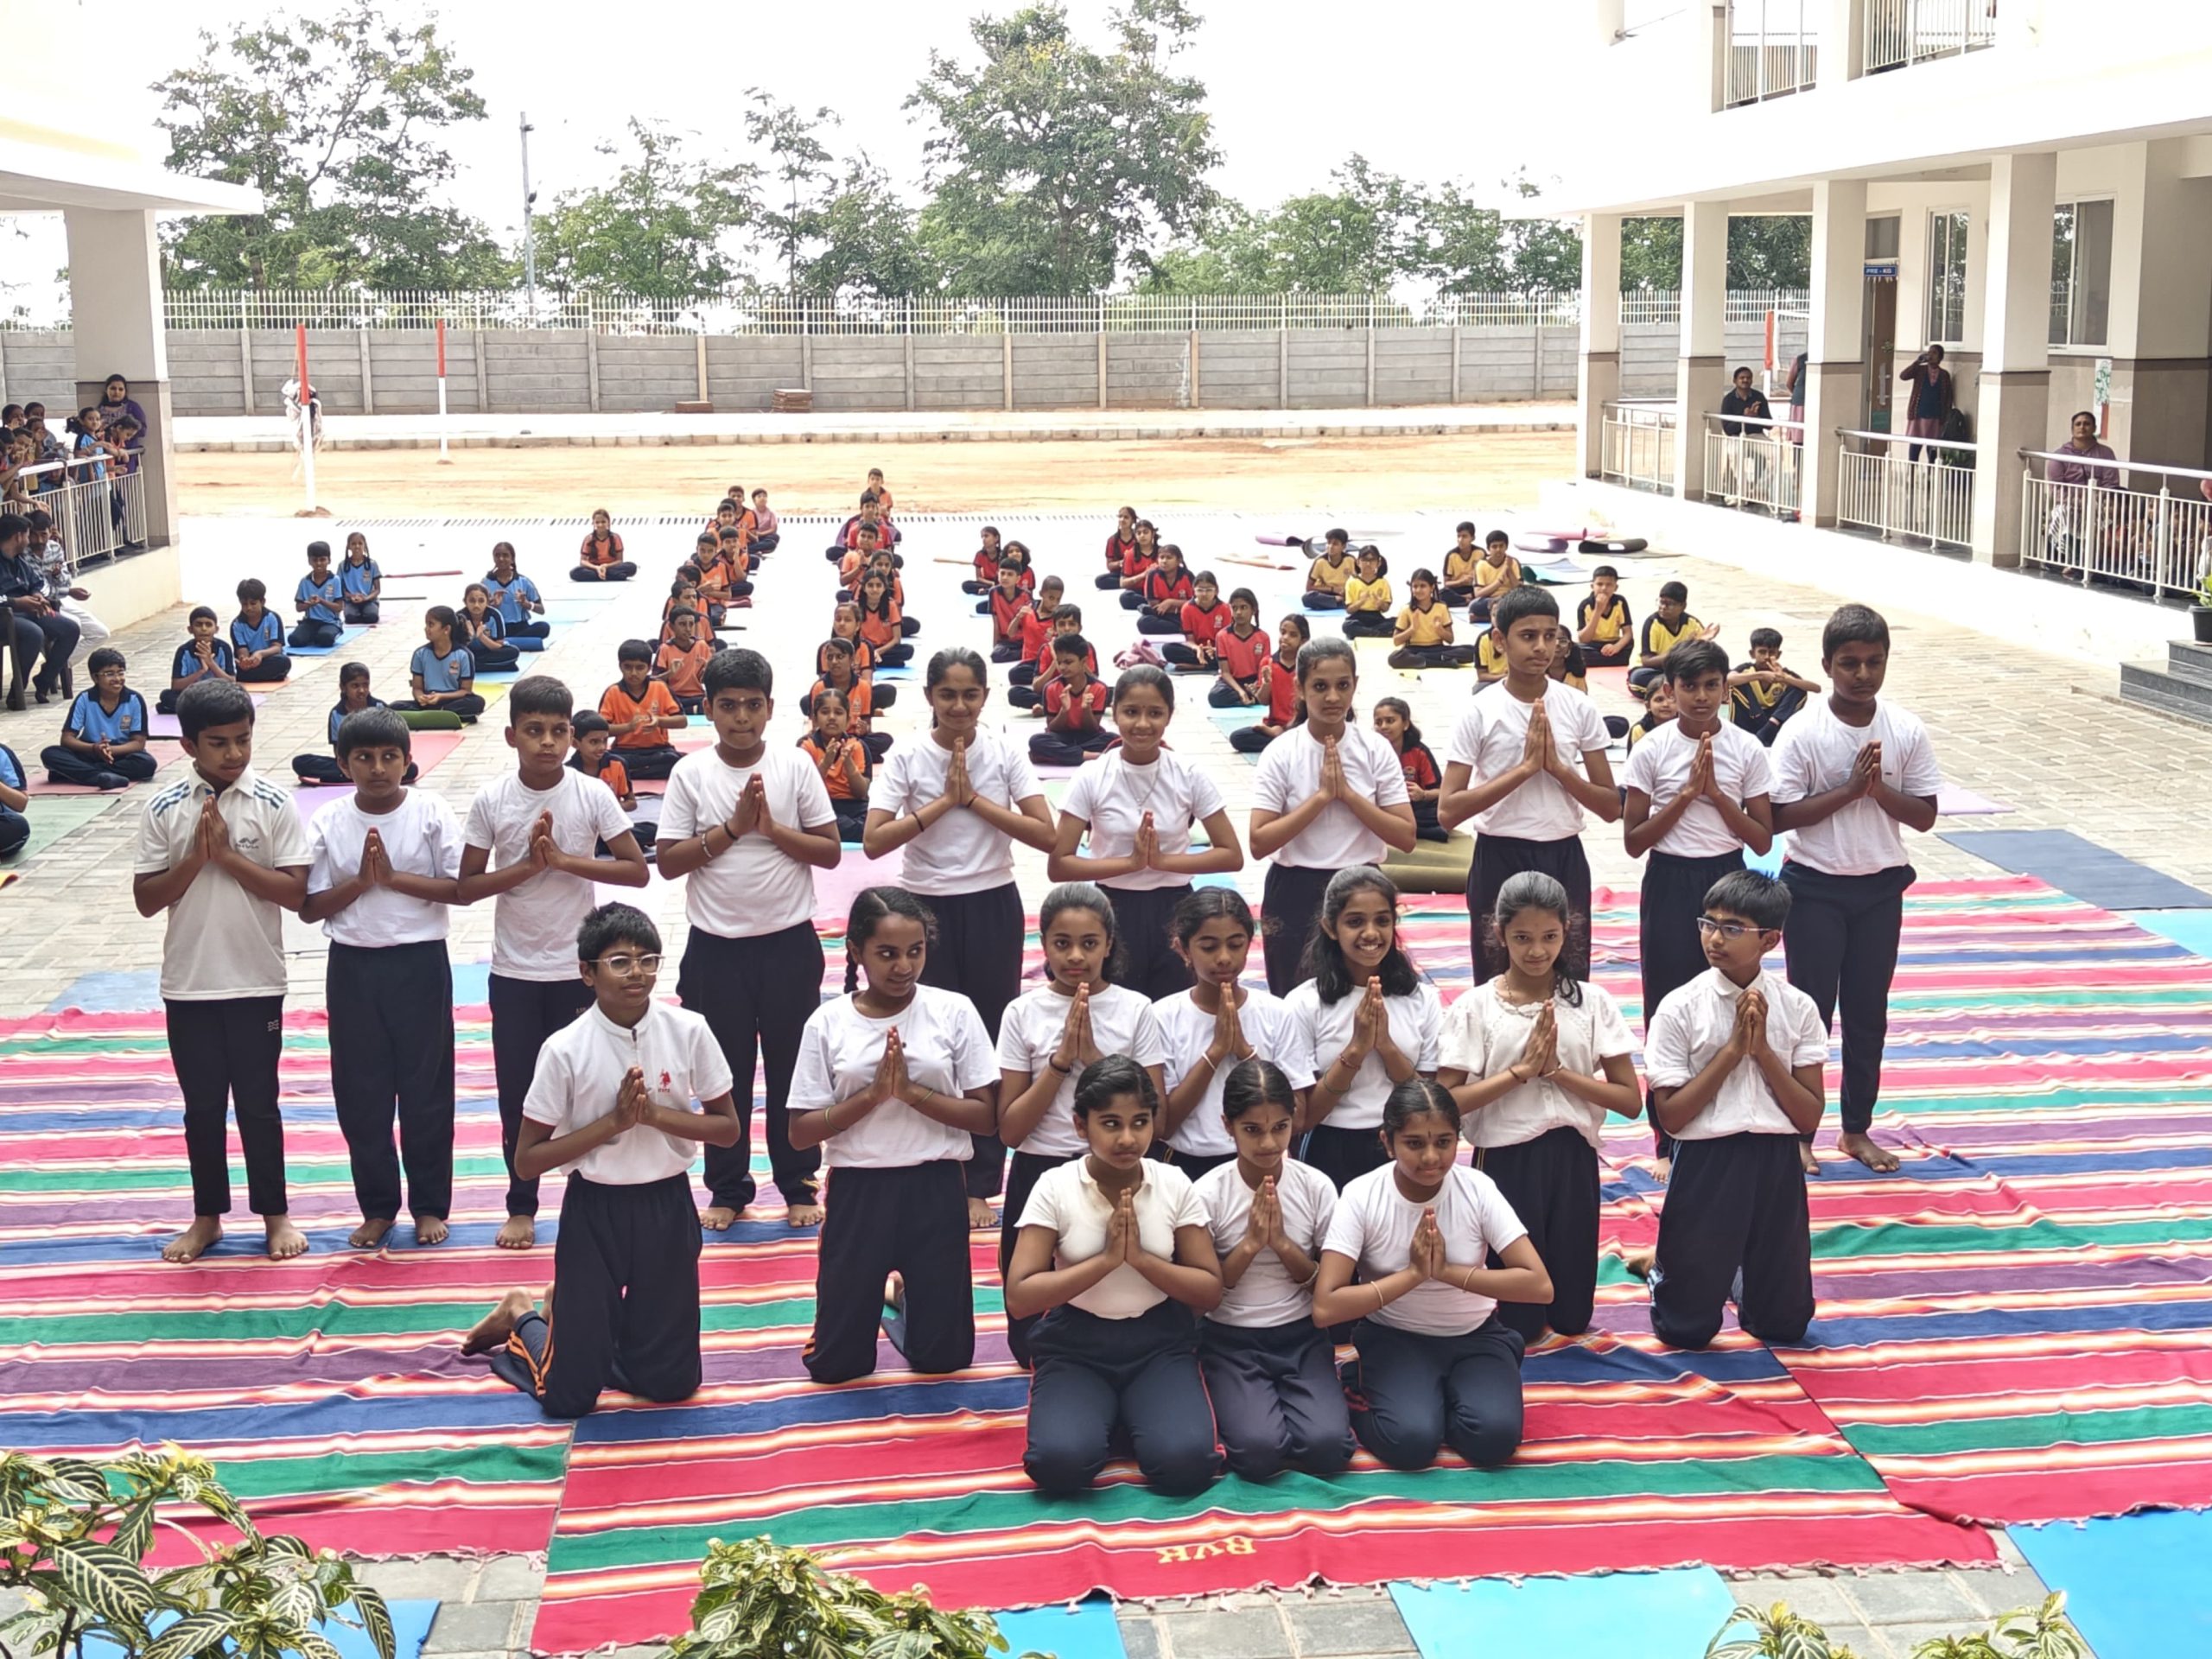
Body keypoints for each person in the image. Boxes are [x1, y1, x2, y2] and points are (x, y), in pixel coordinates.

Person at [461, 904, 739, 1418]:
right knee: (569, 1398)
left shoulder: (690, 1029)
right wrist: (611, 1125)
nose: (637, 973)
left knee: (673, 1385)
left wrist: (654, 1116)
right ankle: (524, 1315)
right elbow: (526, 1161)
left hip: (667, 1206)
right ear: (587, 973)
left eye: (648, 960)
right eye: (620, 962)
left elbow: (727, 1129)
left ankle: (586, 1324)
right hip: (595, 1211)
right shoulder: (564, 1049)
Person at [865, 646, 1056, 1224]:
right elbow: (874, 841)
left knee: (991, 1038)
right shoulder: (905, 757)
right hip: (924, 910)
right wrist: (942, 804)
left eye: (970, 694)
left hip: (993, 901)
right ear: (928, 697)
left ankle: (981, 1175)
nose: (959, 705)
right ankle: (933, 1158)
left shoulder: (1002, 751)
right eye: (947, 694)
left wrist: (974, 800)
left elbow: (1046, 834)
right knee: (932, 1035)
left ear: (985, 697)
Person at [460, 677, 650, 1252]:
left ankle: (593, 1193)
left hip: (577, 974)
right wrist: (526, 868)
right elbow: (466, 888)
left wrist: (566, 861)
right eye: (535, 731)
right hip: (515, 974)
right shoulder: (492, 800)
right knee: (519, 1094)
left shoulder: (591, 795)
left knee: (589, 1089)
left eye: (559, 731)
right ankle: (522, 1203)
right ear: (511, 734)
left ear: (572, 734)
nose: (547, 743)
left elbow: (637, 871)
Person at [657, 648, 841, 1231]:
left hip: (788, 944)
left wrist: (771, 829)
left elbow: (831, 851)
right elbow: (666, 862)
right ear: (708, 708)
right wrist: (733, 830)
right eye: (729, 706)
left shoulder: (795, 767)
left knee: (794, 1069)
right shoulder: (691, 773)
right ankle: (728, 1186)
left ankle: (798, 1181)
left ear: (770, 709)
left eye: (752, 706)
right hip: (716, 949)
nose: (741, 718)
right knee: (721, 1072)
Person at [131, 681, 310, 1264]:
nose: (234, 754)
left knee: (260, 1104)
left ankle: (274, 1215)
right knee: (202, 1107)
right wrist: (197, 858)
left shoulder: (275, 803)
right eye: (218, 744)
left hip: (257, 979)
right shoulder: (163, 808)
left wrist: (229, 857)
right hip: (191, 983)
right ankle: (206, 1217)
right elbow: (147, 899)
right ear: (187, 744)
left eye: (242, 740)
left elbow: (294, 892)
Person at [792, 888, 1001, 1384]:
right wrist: (871, 1097)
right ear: (856, 951)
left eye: (916, 951)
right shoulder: (828, 1022)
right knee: (836, 1367)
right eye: (887, 953)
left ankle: (905, 1298)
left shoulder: (954, 1010)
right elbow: (800, 1133)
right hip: (860, 1189)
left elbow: (986, 1118)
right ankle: (881, 1297)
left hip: (935, 1186)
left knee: (944, 1359)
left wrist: (911, 1093)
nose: (904, 966)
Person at [1770, 605, 1940, 1176]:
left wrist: (1874, 792)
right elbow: (1778, 817)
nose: (1862, 674)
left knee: (1869, 1014)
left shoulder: (1906, 729)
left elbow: (1924, 816)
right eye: (1849, 664)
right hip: (1814, 888)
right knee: (1809, 1016)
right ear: (1826, 665)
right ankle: (1799, 1133)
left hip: (1879, 890)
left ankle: (1856, 1129)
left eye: (1874, 662)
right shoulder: (1802, 730)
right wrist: (1848, 790)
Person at [1006, 1055, 1223, 1496]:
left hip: (1159, 1343)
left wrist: (1141, 1260)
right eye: (1111, 1124)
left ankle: (1127, 1415)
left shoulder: (1174, 1182)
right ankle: (1114, 1416)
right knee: (1059, 1468)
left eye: (1140, 1122)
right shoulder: (1055, 1185)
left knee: (1186, 1468)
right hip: (1077, 1346)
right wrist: (1105, 1261)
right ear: (1080, 1126)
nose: (1128, 1138)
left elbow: (1209, 1289)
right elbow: (1020, 1296)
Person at [1437, 873, 1639, 1340]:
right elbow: (1444, 1102)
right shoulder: (1475, 1007)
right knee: (1518, 1324)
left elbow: (1630, 1100)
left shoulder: (1592, 1002)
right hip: (1507, 1161)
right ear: (1498, 933)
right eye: (1522, 938)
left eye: (1549, 937)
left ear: (1567, 931)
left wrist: (1559, 1074)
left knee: (1573, 1317)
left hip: (1573, 1158)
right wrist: (1518, 1074)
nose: (1536, 951)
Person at [1312, 1080, 1550, 1470]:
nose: (1431, 1157)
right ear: (1387, 1143)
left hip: (1475, 1336)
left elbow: (1539, 1285)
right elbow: (1326, 1306)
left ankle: (1447, 1395)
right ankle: (1362, 1380)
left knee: (1494, 1441)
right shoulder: (1361, 1195)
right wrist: (1413, 1275)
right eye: (1414, 1143)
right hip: (1395, 1337)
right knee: (1410, 1444)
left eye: (1444, 1142)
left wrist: (1448, 1273)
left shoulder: (1478, 1189)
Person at [1642, 871, 1827, 1350]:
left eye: (1732, 928)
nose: (1714, 938)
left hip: (1776, 1161)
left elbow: (1808, 1118)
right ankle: (1661, 1269)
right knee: (1685, 1331)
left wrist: (1764, 1051)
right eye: (1708, 923)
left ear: (1770, 940)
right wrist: (1730, 1052)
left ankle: (1734, 1273)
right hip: (1706, 1160)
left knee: (1783, 1326)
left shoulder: (1798, 1007)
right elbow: (1673, 1119)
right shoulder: (1680, 1007)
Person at [302, 707, 462, 1250]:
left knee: (427, 1087)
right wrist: (362, 883)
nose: (377, 768)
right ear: (343, 764)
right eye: (364, 758)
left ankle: (428, 1205)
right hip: (353, 965)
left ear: (408, 761)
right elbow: (308, 906)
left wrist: (393, 878)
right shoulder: (328, 819)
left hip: (419, 962)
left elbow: (460, 889)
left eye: (389, 757)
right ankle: (377, 1206)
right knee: (361, 1091)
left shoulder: (430, 811)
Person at [997, 883, 1170, 1365]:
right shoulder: (1021, 1012)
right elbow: (1009, 1131)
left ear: (1109, 944)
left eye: (1089, 943)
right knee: (1028, 1348)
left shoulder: (1135, 1008)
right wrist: (1058, 1065)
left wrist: (1094, 1059)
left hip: (1117, 1168)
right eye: (1062, 944)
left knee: (1117, 1298)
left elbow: (1159, 1117)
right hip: (1039, 1168)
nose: (1075, 956)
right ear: (1044, 942)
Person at [1623, 638, 1775, 1171]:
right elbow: (1634, 840)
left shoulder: (1747, 749)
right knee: (1666, 1004)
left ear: (1725, 689)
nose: (1703, 697)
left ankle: (1730, 1118)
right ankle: (1667, 1138)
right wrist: (1687, 795)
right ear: (1671, 690)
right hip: (1669, 878)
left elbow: (1760, 838)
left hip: (1728, 878)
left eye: (1713, 685)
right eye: (1691, 686)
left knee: (1732, 1001)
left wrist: (1717, 796)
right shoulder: (1652, 749)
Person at [1438, 587, 1618, 982]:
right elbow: (1448, 811)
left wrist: (1557, 769)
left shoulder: (1578, 706)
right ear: (1499, 640)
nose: (1541, 647)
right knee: (1496, 979)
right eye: (1528, 636)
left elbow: (1610, 807)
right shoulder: (1479, 711)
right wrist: (1523, 771)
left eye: (1550, 636)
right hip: (1499, 854)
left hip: (1563, 856)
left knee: (1569, 979)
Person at [1194, 1058, 1352, 1480]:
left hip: (1301, 1335)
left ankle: (1344, 1386)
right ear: (1227, 1125)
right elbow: (1203, 1294)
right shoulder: (1206, 1194)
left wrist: (1282, 1245)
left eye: (1279, 1128)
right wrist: (1249, 1246)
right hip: (1230, 1339)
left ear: (1293, 1121)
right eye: (1252, 1130)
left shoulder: (1315, 1186)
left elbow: (1331, 1288)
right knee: (1258, 1455)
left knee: (1329, 1450)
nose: (1268, 1143)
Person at [1047, 666, 1243, 1001]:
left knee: (1174, 1005)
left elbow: (1232, 854)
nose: (1142, 724)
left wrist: (1163, 861)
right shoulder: (1092, 775)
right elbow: (1060, 865)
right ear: (1114, 712)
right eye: (1131, 712)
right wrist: (1131, 863)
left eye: (1154, 713)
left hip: (1175, 905)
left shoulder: (1188, 773)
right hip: (1112, 904)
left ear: (1169, 715)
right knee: (1117, 1005)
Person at [1249, 639, 1416, 995]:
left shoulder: (1375, 749)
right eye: (1320, 687)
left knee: (1364, 994)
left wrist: (1350, 797)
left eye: (1343, 686)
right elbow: (1259, 842)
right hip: (1296, 887)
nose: (1332, 698)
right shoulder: (1281, 752)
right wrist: (1322, 797)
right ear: (1299, 688)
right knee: (1293, 999)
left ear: (1355, 684)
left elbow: (1405, 835)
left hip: (1363, 886)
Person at [1284, 865, 1441, 1189]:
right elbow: (1305, 1117)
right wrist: (1356, 1050)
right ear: (1330, 927)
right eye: (1355, 922)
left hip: (1403, 1145)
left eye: (1382, 921)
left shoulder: (1422, 999)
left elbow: (1430, 1102)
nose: (1371, 933)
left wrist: (1386, 1047)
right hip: (1328, 1145)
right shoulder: (1304, 1003)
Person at [1154, 891, 1309, 1180]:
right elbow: (1163, 1125)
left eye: (1235, 945)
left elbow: (1297, 1115)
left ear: (1249, 945)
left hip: (1261, 1166)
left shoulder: (1278, 1013)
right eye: (1209, 947)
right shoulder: (1161, 1017)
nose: (1224, 958)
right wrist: (1214, 1053)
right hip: (1185, 1167)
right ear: (1183, 949)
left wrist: (1245, 1053)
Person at [44, 646, 155, 788]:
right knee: (50, 754)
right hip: (90, 751)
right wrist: (95, 749)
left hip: (120, 752)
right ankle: (103, 777)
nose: (117, 679)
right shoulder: (85, 699)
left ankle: (81, 774)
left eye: (120, 673)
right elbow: (67, 739)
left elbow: (138, 743)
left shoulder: (134, 699)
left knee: (147, 764)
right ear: (95, 677)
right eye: (109, 674)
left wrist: (109, 751)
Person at [0, 512, 79, 708]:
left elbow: (39, 584)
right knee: (34, 633)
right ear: (18, 536)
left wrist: (38, 596)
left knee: (70, 628)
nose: (29, 540)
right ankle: (17, 691)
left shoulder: (20, 561)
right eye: (27, 535)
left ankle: (44, 679)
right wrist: (17, 602)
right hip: (5, 614)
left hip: (29, 610)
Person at [599, 639, 684, 780]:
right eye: (628, 667)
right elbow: (601, 730)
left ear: (649, 668)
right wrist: (628, 727)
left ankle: (631, 774)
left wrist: (659, 721)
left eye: (640, 668)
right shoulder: (613, 692)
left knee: (675, 761)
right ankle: (640, 772)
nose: (633, 673)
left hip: (658, 750)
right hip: (625, 751)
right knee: (608, 762)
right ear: (620, 666)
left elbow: (682, 721)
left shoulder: (659, 687)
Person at [566, 710, 650, 852]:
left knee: (651, 831)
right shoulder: (568, 771)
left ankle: (601, 846)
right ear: (575, 743)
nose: (601, 747)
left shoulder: (617, 764)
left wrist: (609, 809)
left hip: (612, 827)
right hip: (583, 829)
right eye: (594, 742)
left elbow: (631, 803)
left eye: (605, 740)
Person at [1228, 614, 1308, 755]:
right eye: (1283, 632)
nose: (1285, 638)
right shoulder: (1268, 662)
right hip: (1273, 725)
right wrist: (1267, 683)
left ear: (1303, 641)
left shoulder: (1307, 666)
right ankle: (1284, 740)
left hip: (1300, 725)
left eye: (1293, 635)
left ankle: (1283, 738)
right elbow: (1263, 701)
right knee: (1237, 738)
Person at [801, 688, 872, 843]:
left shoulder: (858, 746)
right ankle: (857, 832)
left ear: (848, 720)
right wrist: (825, 764)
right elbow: (805, 790)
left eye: (838, 713)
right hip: (823, 807)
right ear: (815, 718)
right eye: (825, 712)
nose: (832, 717)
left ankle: (856, 831)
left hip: (855, 807)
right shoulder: (807, 746)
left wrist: (849, 764)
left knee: (876, 821)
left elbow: (861, 793)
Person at [391, 607, 486, 722]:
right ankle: (442, 715)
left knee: (477, 702)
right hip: (428, 702)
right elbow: (417, 688)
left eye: (431, 625)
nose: (426, 629)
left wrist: (441, 696)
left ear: (446, 629)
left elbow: (466, 690)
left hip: (452, 700)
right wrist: (421, 697)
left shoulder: (463, 655)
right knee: (394, 707)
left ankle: (439, 713)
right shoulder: (420, 654)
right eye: (426, 625)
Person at [1030, 636, 1113, 767]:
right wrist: (1064, 711)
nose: (1062, 667)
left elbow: (1092, 728)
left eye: (1068, 662)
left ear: (1083, 661)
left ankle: (1063, 756)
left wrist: (1086, 709)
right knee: (1036, 741)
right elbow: (1053, 728)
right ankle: (1086, 756)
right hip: (1061, 737)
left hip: (1089, 737)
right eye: (1060, 662)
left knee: (1115, 740)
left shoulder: (1099, 688)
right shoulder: (1051, 688)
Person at [1728, 627, 1820, 745]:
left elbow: (1816, 688)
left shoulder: (1782, 673)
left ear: (1778, 654)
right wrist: (1760, 676)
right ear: (1752, 654)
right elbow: (1729, 679)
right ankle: (1749, 735)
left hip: (1773, 724)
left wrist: (1786, 679)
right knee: (1738, 685)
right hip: (1750, 719)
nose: (1766, 656)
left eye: (1771, 652)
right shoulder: (1746, 669)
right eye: (1762, 652)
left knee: (1799, 688)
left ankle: (1771, 726)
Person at [1373, 697, 1446, 842]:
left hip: (1415, 809)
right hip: (1385, 808)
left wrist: (1423, 794)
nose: (1383, 726)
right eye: (1378, 722)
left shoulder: (1419, 752)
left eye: (1390, 721)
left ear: (1405, 724)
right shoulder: (1370, 751)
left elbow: (1442, 792)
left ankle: (1402, 829)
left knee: (1443, 813)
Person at [1629, 580, 1719, 698]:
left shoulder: (1692, 623)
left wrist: (1702, 644)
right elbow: (1647, 661)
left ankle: (1683, 688)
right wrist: (1683, 649)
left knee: (1718, 672)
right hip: (1651, 670)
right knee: (1638, 678)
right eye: (1661, 603)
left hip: (1678, 670)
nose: (1663, 608)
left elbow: (1703, 657)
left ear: (1683, 606)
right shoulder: (1652, 623)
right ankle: (1686, 688)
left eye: (1669, 604)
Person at [806, 636, 890, 760]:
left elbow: (867, 726)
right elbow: (815, 726)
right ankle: (853, 754)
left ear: (852, 659)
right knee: (804, 745)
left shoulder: (863, 687)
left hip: (852, 737)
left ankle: (843, 754)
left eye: (840, 657)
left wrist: (864, 729)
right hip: (827, 739)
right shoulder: (819, 687)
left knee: (885, 740)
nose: (834, 662)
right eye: (830, 657)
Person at [156, 607, 235, 715]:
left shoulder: (224, 648)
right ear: (190, 629)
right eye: (198, 625)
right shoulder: (184, 651)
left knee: (235, 697)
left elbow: (231, 682)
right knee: (166, 695)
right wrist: (201, 671)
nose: (203, 629)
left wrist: (211, 663)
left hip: (217, 693)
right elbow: (176, 685)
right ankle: (206, 710)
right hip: (193, 694)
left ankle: (194, 710)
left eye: (208, 625)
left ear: (216, 629)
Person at [1389, 569, 1472, 669]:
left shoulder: (1441, 607)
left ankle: (1425, 659)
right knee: (1394, 658)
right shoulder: (1406, 610)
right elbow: (1396, 641)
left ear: (1432, 587)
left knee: (1472, 651)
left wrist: (1440, 630)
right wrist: (1412, 629)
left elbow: (1450, 640)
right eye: (1415, 586)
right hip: (1414, 649)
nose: (1418, 590)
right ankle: (1441, 662)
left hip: (1437, 648)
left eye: (1423, 586)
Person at [1209, 588, 1272, 706]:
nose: (1238, 612)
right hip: (1231, 683)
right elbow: (1225, 672)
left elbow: (1264, 670)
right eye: (1235, 608)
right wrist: (1241, 692)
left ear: (1253, 610)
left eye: (1243, 607)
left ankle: (1253, 697)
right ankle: (1248, 698)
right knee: (1214, 697)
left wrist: (1257, 685)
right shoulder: (1222, 636)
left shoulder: (1263, 637)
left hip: (1254, 681)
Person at [484, 543, 550, 649]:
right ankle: (512, 641)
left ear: (512, 559)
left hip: (521, 627)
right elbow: (478, 613)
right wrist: (493, 606)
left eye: (505, 555)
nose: (501, 559)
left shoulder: (524, 582)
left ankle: (505, 642)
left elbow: (541, 610)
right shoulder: (486, 583)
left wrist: (527, 604)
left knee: (544, 627)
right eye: (497, 555)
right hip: (497, 627)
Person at [1163, 570, 1232, 670]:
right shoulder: (1187, 608)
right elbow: (1189, 640)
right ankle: (1206, 665)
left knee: (1236, 653)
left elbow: (1227, 640)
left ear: (1216, 591)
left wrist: (1214, 649)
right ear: (1193, 590)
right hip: (1196, 650)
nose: (1204, 594)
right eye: (1200, 590)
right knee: (1168, 648)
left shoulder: (1224, 608)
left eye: (1209, 590)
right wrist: (1197, 649)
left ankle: (1199, 666)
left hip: (1217, 650)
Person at [1898, 344, 1955, 463]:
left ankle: (1930, 479)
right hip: (1918, 415)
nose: (1931, 355)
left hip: (1935, 418)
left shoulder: (1944, 375)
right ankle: (1912, 477)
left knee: (1932, 453)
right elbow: (1903, 376)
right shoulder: (1920, 370)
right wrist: (1917, 362)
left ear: (1940, 357)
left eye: (1934, 353)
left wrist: (1945, 417)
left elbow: (1948, 398)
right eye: (1929, 352)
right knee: (1914, 450)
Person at [654, 608, 715, 715]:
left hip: (698, 696)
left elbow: (708, 680)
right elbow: (653, 681)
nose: (688, 629)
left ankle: (688, 711)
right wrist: (670, 673)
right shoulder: (665, 649)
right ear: (672, 627)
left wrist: (707, 671)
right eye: (682, 624)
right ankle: (691, 710)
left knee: (711, 704)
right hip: (674, 696)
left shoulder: (702, 645)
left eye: (691, 624)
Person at [229, 579, 291, 684]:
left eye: (253, 603)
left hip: (268, 658)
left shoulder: (272, 618)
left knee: (283, 662)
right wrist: (245, 661)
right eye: (245, 604)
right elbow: (242, 651)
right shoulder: (237, 624)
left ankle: (250, 677)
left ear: (262, 602)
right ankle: (269, 676)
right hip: (251, 663)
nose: (249, 608)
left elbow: (277, 647)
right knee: (235, 668)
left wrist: (260, 654)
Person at [1574, 565, 1633, 670]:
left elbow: (1628, 633)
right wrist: (1598, 610)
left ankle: (1606, 659)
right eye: (1599, 584)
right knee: (1578, 649)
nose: (1604, 588)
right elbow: (1583, 639)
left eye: (1609, 585)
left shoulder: (1620, 602)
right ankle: (1609, 660)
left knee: (1630, 644)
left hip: (1613, 643)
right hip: (1592, 645)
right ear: (1592, 586)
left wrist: (1616, 647)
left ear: (1615, 587)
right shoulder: (1585, 606)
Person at [855, 570, 915, 670]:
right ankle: (874, 660)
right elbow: (852, 638)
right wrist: (868, 651)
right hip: (864, 648)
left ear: (884, 588)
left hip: (885, 648)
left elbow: (897, 639)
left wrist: (878, 652)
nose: (874, 589)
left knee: (908, 651)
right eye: (870, 585)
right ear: (864, 588)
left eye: (878, 585)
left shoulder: (891, 605)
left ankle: (869, 661)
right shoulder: (856, 607)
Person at [290, 542, 346, 650]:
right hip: (310, 622)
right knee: (294, 640)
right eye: (315, 560)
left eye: (322, 560)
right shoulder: (305, 581)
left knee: (325, 639)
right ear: (309, 561)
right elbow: (298, 607)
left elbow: (339, 607)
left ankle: (328, 633)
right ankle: (312, 635)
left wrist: (321, 601)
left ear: (329, 560)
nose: (319, 563)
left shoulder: (335, 580)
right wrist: (308, 604)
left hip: (330, 622)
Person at [1128, 544, 1194, 632]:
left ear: (1179, 560)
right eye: (1161, 558)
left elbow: (1196, 603)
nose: (1164, 561)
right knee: (1143, 622)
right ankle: (1181, 628)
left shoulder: (1188, 576)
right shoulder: (1152, 575)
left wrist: (1171, 602)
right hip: (1163, 614)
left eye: (1169, 558)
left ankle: (1183, 627)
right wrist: (1180, 605)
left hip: (1184, 614)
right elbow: (1155, 606)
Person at [1466, 531, 1522, 624]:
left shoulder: (1513, 562)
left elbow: (1520, 590)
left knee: (1525, 603)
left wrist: (1509, 570)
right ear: (1488, 548)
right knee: (1474, 605)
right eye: (1494, 547)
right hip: (1490, 600)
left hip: (1509, 599)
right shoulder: (1481, 564)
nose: (1498, 550)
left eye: (1501, 546)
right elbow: (1478, 594)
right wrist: (1499, 581)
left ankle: (1484, 618)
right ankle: (1505, 618)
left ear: (1506, 547)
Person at [1342, 546, 1395, 639]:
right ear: (1358, 562)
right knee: (1347, 626)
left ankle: (1368, 633)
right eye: (1364, 560)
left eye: (1372, 560)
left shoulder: (1383, 582)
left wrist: (1381, 603)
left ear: (1378, 563)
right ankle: (1376, 633)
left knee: (1397, 621)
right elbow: (1349, 610)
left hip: (1376, 618)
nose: (1368, 563)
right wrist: (1361, 602)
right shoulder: (1352, 582)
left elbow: (1386, 609)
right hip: (1358, 617)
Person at [573, 509, 635, 582]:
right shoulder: (589, 538)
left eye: (603, 522)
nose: (600, 525)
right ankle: (612, 576)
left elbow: (619, 560)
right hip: (594, 568)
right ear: (593, 523)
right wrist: (597, 568)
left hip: (611, 567)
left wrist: (606, 566)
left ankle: (602, 576)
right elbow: (583, 561)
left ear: (608, 523)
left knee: (632, 567)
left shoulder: (615, 538)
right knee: (575, 572)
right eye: (597, 522)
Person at [1301, 529, 1356, 611]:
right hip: (1325, 594)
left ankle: (1331, 604)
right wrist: (1332, 589)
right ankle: (1336, 602)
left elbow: (1361, 580)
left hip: (1344, 594)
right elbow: (1309, 588)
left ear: (1343, 546)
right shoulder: (1320, 561)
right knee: (1307, 598)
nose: (1330, 547)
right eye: (1328, 543)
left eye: (1335, 544)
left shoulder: (1350, 560)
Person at [339, 532, 383, 625]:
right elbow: (340, 589)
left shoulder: (372, 564)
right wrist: (351, 596)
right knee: (351, 618)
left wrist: (365, 598)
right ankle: (356, 612)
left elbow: (377, 589)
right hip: (351, 601)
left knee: (372, 617)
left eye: (360, 543)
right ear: (349, 546)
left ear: (364, 545)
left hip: (368, 600)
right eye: (353, 544)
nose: (357, 546)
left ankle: (369, 610)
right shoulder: (343, 566)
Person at [1438, 522, 1483, 607]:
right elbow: (1447, 583)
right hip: (1456, 590)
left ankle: (1464, 599)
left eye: (1464, 536)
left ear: (1472, 538)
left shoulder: (1480, 553)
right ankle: (1465, 599)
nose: (1460, 540)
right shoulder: (1451, 555)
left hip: (1474, 588)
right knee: (1442, 594)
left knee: (1487, 591)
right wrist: (1461, 582)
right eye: (1458, 536)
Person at [1100, 505, 1140, 588]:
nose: (1122, 520)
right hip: (1118, 574)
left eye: (1126, 517)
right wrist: (1120, 563)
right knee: (1100, 580)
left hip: (1135, 572)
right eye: (1120, 517)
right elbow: (1109, 565)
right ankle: (1129, 583)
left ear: (1132, 520)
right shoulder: (1112, 540)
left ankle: (1131, 582)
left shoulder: (1138, 538)